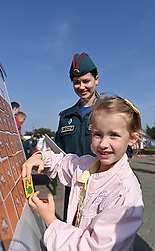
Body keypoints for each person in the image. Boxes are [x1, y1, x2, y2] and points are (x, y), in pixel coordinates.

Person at [22, 96, 144, 251]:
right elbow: (66, 163)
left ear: (132, 139)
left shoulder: (124, 193)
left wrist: (51, 220)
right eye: (97, 134)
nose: (103, 144)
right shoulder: (89, 163)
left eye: (114, 135)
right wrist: (42, 158)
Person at [55, 52, 100, 221]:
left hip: (101, 186)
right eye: (76, 82)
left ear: (96, 79)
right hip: (73, 186)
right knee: (72, 227)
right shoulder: (66, 116)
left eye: (86, 81)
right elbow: (59, 150)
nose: (81, 86)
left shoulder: (110, 111)